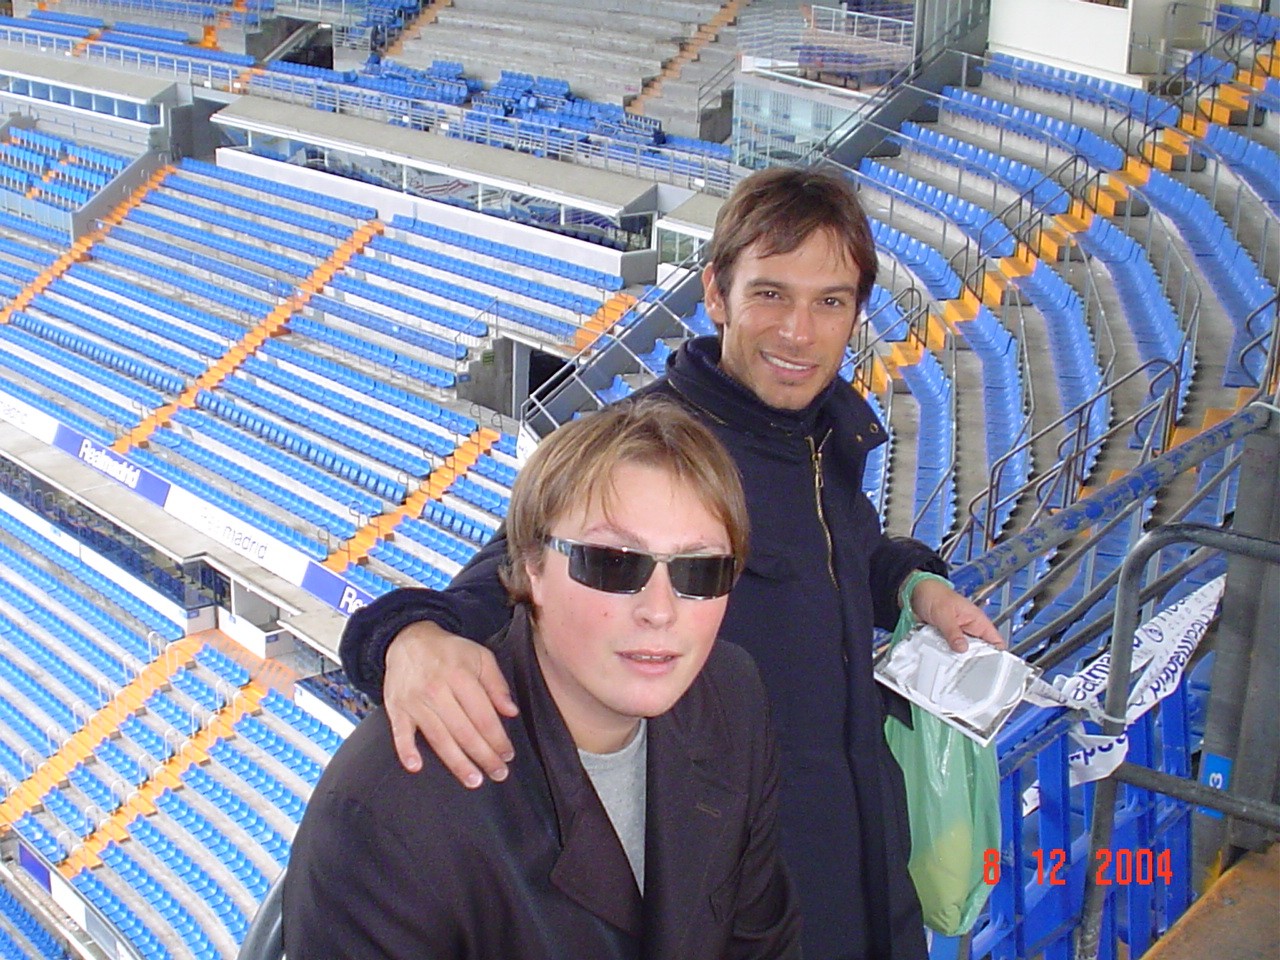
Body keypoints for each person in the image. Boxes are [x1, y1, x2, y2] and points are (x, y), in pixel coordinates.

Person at [339, 165, 1003, 960]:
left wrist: (913, 584)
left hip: (863, 872)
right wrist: (409, 637)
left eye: (829, 302)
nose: (799, 331)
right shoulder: (651, 446)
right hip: (749, 899)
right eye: (770, 294)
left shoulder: (821, 436)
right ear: (716, 294)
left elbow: (846, 548)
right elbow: (518, 572)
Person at [285, 398, 801, 959]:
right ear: (531, 565)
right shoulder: (390, 816)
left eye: (699, 569)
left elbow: (761, 941)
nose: (661, 610)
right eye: (612, 562)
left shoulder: (732, 695)